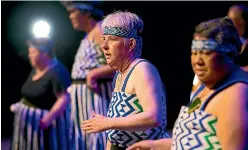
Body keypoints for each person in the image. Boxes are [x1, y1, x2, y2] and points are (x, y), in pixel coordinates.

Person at [127, 17, 248, 150]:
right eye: (194, 53)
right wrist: (153, 145)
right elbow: (194, 139)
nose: (198, 61)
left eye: (207, 53)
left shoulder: (235, 95)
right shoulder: (208, 83)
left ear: (229, 55)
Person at [81, 11, 170, 150]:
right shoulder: (120, 73)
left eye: (112, 39)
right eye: (104, 39)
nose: (104, 46)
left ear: (131, 44)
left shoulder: (142, 69)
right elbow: (114, 133)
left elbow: (153, 117)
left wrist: (108, 122)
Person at [62, 1, 115, 150]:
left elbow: (118, 62)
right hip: (84, 98)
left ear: (85, 13)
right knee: (85, 138)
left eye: (73, 12)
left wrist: (94, 73)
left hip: (96, 98)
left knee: (97, 138)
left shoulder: (99, 31)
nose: (70, 17)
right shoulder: (88, 34)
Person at [10, 37, 71, 150]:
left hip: (42, 127)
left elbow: (64, 98)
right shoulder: (36, 68)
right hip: (29, 124)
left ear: (44, 53)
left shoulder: (57, 71)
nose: (29, 55)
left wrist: (47, 119)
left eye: (33, 52)